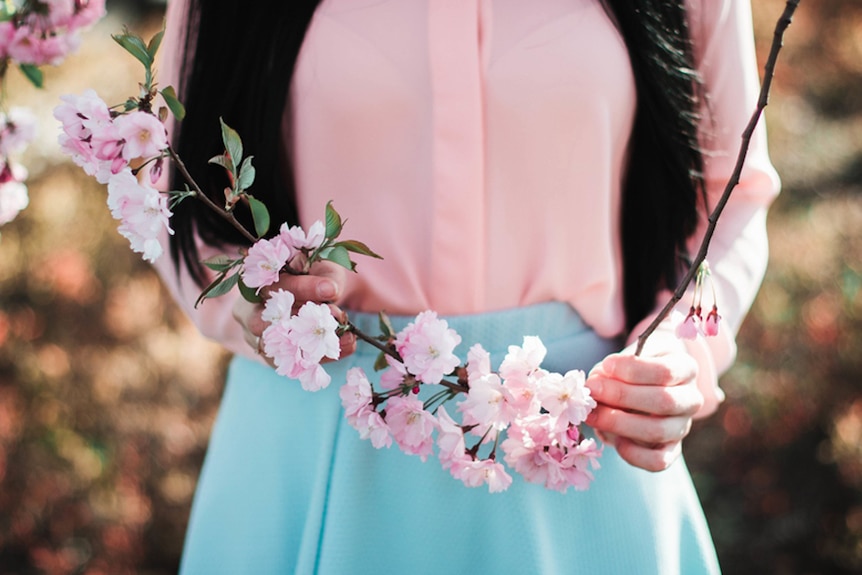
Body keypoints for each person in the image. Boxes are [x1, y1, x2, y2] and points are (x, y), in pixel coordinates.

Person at [154, 0, 779, 573]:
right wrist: (248, 302)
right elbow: (173, 195)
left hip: (575, 434)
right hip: (314, 436)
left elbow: (733, 199)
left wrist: (676, 352)